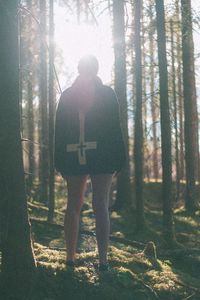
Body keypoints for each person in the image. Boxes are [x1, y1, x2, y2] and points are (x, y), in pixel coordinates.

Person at [54, 54, 126, 271]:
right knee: (100, 205)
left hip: (74, 156)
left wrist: (60, 161)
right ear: (96, 69)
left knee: (73, 205)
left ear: (78, 68)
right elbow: (116, 130)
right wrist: (118, 159)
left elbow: (59, 133)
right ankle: (103, 261)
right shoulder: (107, 94)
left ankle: (70, 258)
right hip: (102, 157)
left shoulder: (67, 95)